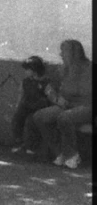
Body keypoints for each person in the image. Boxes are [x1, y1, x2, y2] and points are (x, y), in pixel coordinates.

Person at [32, 39, 93, 169]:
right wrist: (57, 98)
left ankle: (72, 155)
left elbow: (87, 92)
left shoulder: (90, 69)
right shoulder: (63, 69)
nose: (60, 54)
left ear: (74, 53)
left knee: (64, 117)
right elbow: (49, 88)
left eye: (63, 51)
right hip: (66, 105)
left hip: (87, 106)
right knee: (40, 116)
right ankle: (59, 152)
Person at [10, 55, 51, 155]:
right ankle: (19, 142)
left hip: (38, 107)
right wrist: (18, 106)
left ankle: (31, 146)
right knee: (17, 120)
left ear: (34, 70)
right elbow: (21, 94)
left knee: (30, 122)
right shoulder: (26, 82)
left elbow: (49, 95)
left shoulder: (45, 82)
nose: (26, 72)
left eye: (28, 69)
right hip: (26, 106)